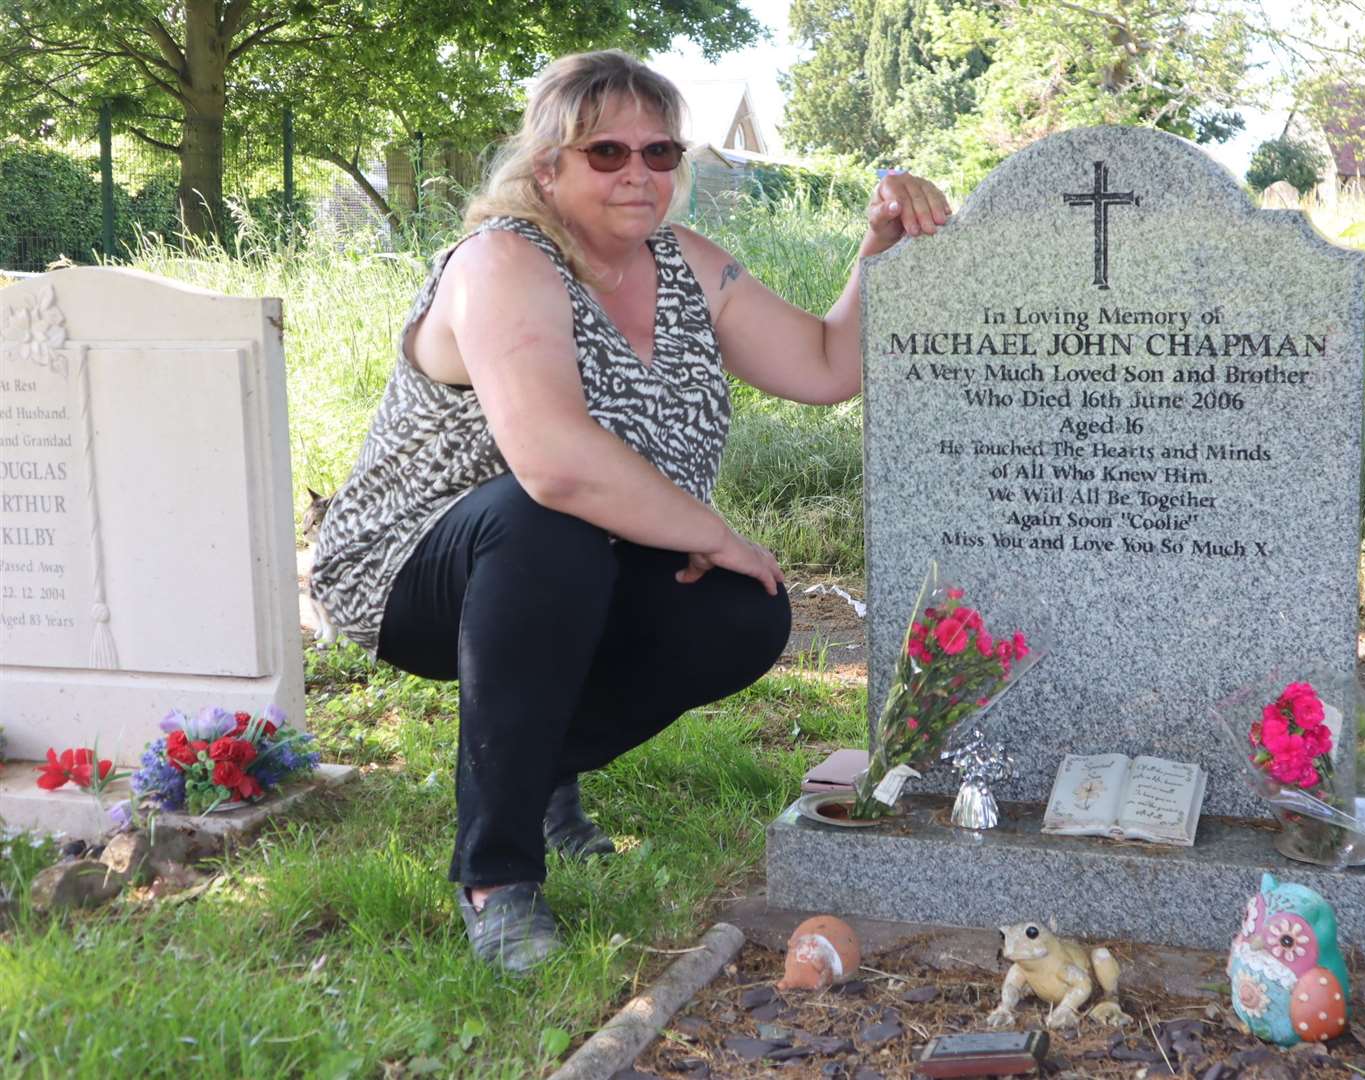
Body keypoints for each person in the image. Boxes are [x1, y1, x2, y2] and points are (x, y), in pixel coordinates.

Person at [310, 49, 951, 973]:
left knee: (744, 612)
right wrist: (712, 530)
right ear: (547, 168)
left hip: (589, 554)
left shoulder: (685, 262)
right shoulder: (503, 262)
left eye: (660, 153)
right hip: (413, 567)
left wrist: (875, 253)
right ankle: (498, 877)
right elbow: (555, 465)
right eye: (606, 152)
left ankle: (536, 772)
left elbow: (824, 365)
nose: (639, 173)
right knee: (547, 524)